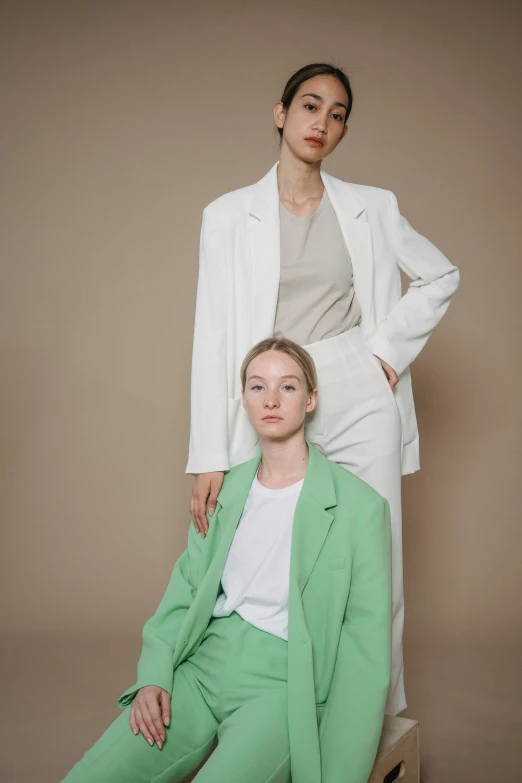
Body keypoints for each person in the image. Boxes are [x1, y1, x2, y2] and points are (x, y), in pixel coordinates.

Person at [187, 62, 460, 715]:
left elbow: (439, 275)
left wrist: (385, 355)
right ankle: (275, 706)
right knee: (272, 555)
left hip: (353, 382)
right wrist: (208, 453)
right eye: (310, 106)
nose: (322, 122)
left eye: (337, 114)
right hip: (274, 391)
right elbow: (214, 335)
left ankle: (381, 717)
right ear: (281, 113)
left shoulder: (372, 207)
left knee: (375, 558)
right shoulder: (227, 216)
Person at [62, 338, 392, 783]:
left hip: (282, 683)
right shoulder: (223, 493)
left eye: (288, 387)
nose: (271, 400)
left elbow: (364, 653)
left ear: (311, 399)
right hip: (202, 666)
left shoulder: (360, 508)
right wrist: (155, 676)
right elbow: (186, 589)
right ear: (245, 399)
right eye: (258, 387)